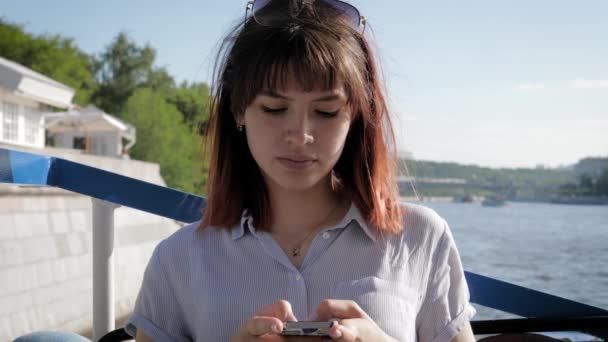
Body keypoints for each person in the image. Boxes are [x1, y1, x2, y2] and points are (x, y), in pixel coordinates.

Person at [15, 0, 476, 341]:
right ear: (238, 109)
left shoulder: (422, 239)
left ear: (357, 116)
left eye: (326, 111)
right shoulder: (178, 261)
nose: (300, 135)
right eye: (275, 109)